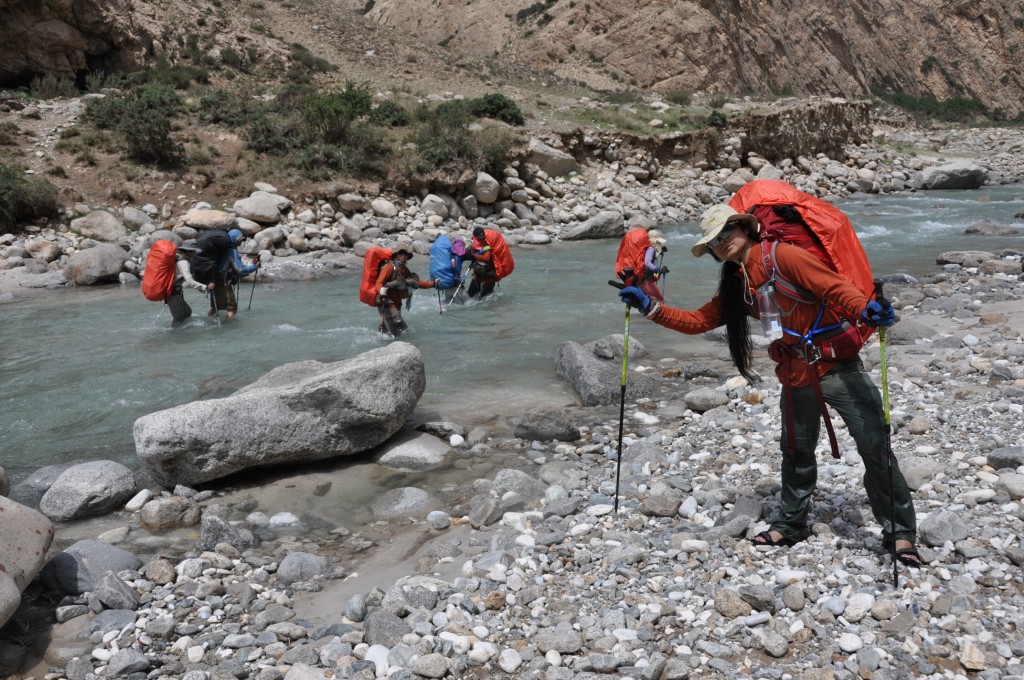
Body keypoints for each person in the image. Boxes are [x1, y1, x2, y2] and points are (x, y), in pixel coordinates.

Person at [616, 203, 919, 566]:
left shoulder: (785, 257)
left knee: (874, 445)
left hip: (837, 365)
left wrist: (866, 309)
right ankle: (791, 524)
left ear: (745, 228)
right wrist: (650, 306)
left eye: (727, 232)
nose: (722, 242)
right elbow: (698, 320)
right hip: (795, 373)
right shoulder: (737, 283)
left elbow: (835, 288)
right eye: (714, 241)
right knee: (795, 450)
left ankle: (900, 533)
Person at [375, 248, 436, 336]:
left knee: (389, 331)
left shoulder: (404, 269)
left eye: (405, 254)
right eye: (401, 253)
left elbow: (415, 282)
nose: (403, 256)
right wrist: (381, 293)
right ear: (396, 255)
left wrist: (432, 284)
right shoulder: (389, 267)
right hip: (387, 302)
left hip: (396, 303)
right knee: (399, 325)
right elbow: (379, 282)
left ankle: (382, 343)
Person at [210, 228, 259, 320]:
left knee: (215, 308)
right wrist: (255, 266)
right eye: (240, 240)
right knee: (232, 309)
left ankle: (208, 322)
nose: (241, 242)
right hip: (224, 284)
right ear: (234, 239)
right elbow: (241, 270)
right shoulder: (231, 251)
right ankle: (227, 329)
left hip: (214, 282)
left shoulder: (222, 249)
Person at [167, 240, 213, 325]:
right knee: (178, 319)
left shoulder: (180, 259)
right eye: (194, 251)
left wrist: (201, 289)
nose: (195, 253)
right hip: (173, 293)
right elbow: (189, 281)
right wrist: (205, 287)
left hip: (175, 292)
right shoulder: (183, 262)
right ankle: (175, 335)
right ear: (188, 251)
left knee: (187, 312)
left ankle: (183, 334)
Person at [463, 226, 498, 299]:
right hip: (477, 278)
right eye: (479, 238)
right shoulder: (471, 247)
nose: (481, 240)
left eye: (482, 238)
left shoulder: (487, 248)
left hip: (489, 279)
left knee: (484, 299)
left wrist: (473, 256)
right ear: (474, 237)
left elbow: (486, 258)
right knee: (468, 297)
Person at [639, 229, 669, 302]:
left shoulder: (649, 248)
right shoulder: (651, 249)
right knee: (660, 300)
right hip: (646, 281)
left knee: (655, 300)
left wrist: (661, 251)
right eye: (658, 241)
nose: (659, 243)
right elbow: (647, 262)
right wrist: (657, 269)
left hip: (645, 279)